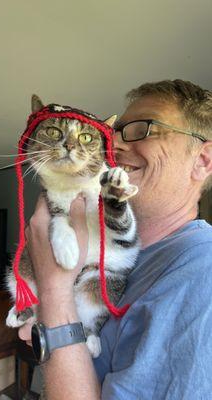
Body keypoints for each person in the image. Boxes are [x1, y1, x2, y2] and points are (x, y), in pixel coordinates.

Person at [18, 79, 212, 399]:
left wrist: (54, 291)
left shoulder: (202, 272)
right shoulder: (106, 246)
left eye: (142, 129)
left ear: (203, 160)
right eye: (115, 132)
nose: (114, 145)